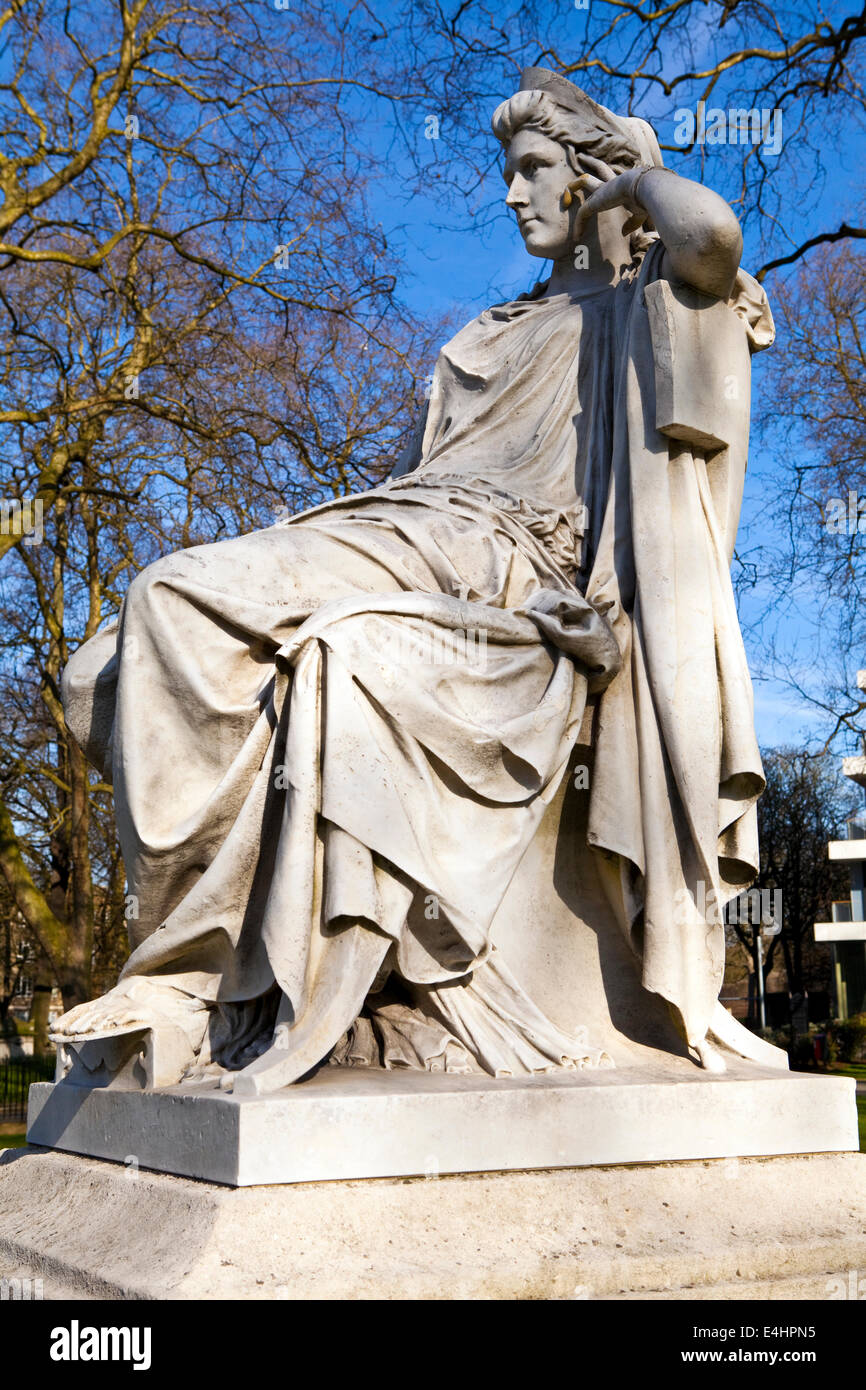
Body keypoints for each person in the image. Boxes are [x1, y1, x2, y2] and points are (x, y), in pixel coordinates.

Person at [53, 68, 774, 1092]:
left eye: (534, 171)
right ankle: (199, 981)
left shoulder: (642, 307)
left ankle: (182, 981)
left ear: (588, 177)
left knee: (173, 599)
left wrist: (621, 188)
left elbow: (705, 237)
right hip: (401, 527)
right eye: (508, 173)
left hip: (496, 556)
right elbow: (416, 478)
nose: (511, 194)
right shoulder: (484, 334)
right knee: (123, 653)